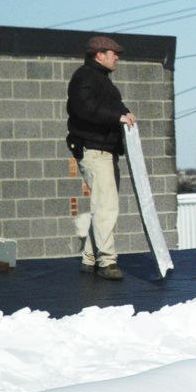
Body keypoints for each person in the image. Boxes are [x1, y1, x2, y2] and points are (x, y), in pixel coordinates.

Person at [66, 35, 136, 281]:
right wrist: (118, 117)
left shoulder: (99, 80)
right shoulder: (85, 78)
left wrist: (124, 112)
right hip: (95, 149)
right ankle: (107, 260)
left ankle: (89, 258)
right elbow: (84, 108)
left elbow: (101, 107)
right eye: (113, 53)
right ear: (99, 55)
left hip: (103, 149)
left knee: (102, 204)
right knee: (106, 206)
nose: (117, 57)